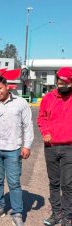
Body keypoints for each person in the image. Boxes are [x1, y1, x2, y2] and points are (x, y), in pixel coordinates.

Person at [0, 76, 34, 226]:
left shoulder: (20, 103)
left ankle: (17, 213)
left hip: (13, 148)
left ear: (7, 86)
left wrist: (27, 145)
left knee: (14, 183)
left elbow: (27, 125)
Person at [37, 67, 72, 226]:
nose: (62, 86)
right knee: (54, 182)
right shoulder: (48, 98)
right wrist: (45, 132)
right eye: (60, 83)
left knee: (68, 183)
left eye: (66, 83)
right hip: (50, 147)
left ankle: (67, 215)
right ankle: (56, 213)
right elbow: (42, 118)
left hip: (69, 148)